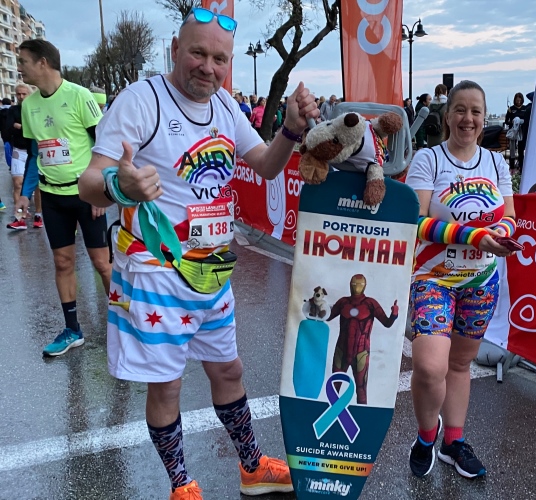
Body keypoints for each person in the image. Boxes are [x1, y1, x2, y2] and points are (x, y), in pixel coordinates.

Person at [78, 7, 319, 499]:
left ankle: (252, 468)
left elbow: (266, 165)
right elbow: (89, 182)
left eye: (219, 59)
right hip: (155, 273)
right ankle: (181, 485)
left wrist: (291, 131)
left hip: (212, 272)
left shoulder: (226, 106)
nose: (208, 67)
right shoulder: (141, 101)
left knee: (228, 370)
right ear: (175, 50)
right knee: (166, 385)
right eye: (198, 53)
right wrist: (120, 186)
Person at [404, 80, 516, 479]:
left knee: (460, 364)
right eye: (461, 110)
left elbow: (510, 216)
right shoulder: (429, 159)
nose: (468, 119)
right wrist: (473, 236)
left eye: (476, 112)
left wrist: (502, 234)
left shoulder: (496, 163)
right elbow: (415, 222)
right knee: (429, 367)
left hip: (481, 282)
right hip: (433, 279)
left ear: (484, 118)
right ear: (447, 115)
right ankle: (425, 436)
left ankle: (453, 442)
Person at [16, 39, 111, 356]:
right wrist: (25, 193)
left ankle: (124, 324)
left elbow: (104, 148)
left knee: (102, 264)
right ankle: (72, 330)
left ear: (42, 63)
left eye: (23, 61)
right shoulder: (29, 105)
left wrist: (101, 193)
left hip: (85, 195)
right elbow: (35, 153)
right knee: (62, 262)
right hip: (53, 198)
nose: (20, 68)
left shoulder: (80, 96)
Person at [327, 274, 399, 404]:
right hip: (342, 350)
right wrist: (317, 306)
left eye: (359, 284)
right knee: (334, 388)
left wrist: (394, 314)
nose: (356, 287)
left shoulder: (370, 304)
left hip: (360, 352)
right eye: (354, 284)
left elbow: (387, 323)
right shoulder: (343, 302)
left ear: (364, 286)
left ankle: (360, 416)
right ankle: (330, 415)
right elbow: (327, 316)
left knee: (361, 390)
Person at [3, 83, 43, 229]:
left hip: (35, 152)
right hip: (18, 150)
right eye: (18, 94)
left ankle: (38, 215)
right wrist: (20, 127)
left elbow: (37, 128)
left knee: (37, 186)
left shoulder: (36, 109)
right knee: (17, 183)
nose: (20, 97)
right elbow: (8, 128)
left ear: (29, 94)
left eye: (24, 94)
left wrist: (19, 126)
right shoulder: (13, 110)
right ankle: (19, 218)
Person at [504, 92, 526, 170]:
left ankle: (521, 167)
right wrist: (513, 122)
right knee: (512, 150)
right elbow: (506, 121)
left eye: (520, 100)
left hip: (521, 132)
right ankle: (512, 167)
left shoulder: (525, 108)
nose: (518, 102)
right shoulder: (511, 109)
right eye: (517, 100)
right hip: (513, 131)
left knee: (521, 150)